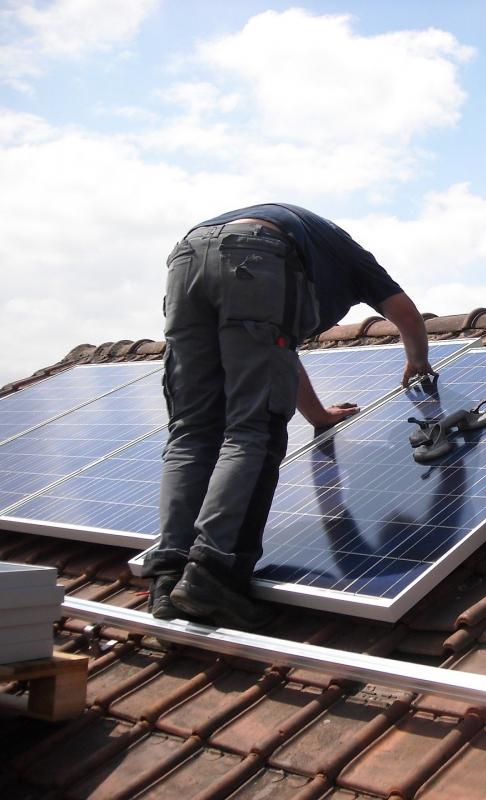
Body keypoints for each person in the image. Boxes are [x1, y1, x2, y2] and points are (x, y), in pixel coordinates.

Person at [142, 203, 433, 627]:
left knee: (191, 432)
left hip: (187, 257)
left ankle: (167, 580)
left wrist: (317, 415)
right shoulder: (353, 260)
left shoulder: (314, 249)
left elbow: (277, 353)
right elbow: (407, 315)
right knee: (252, 431)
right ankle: (212, 574)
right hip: (256, 253)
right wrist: (418, 362)